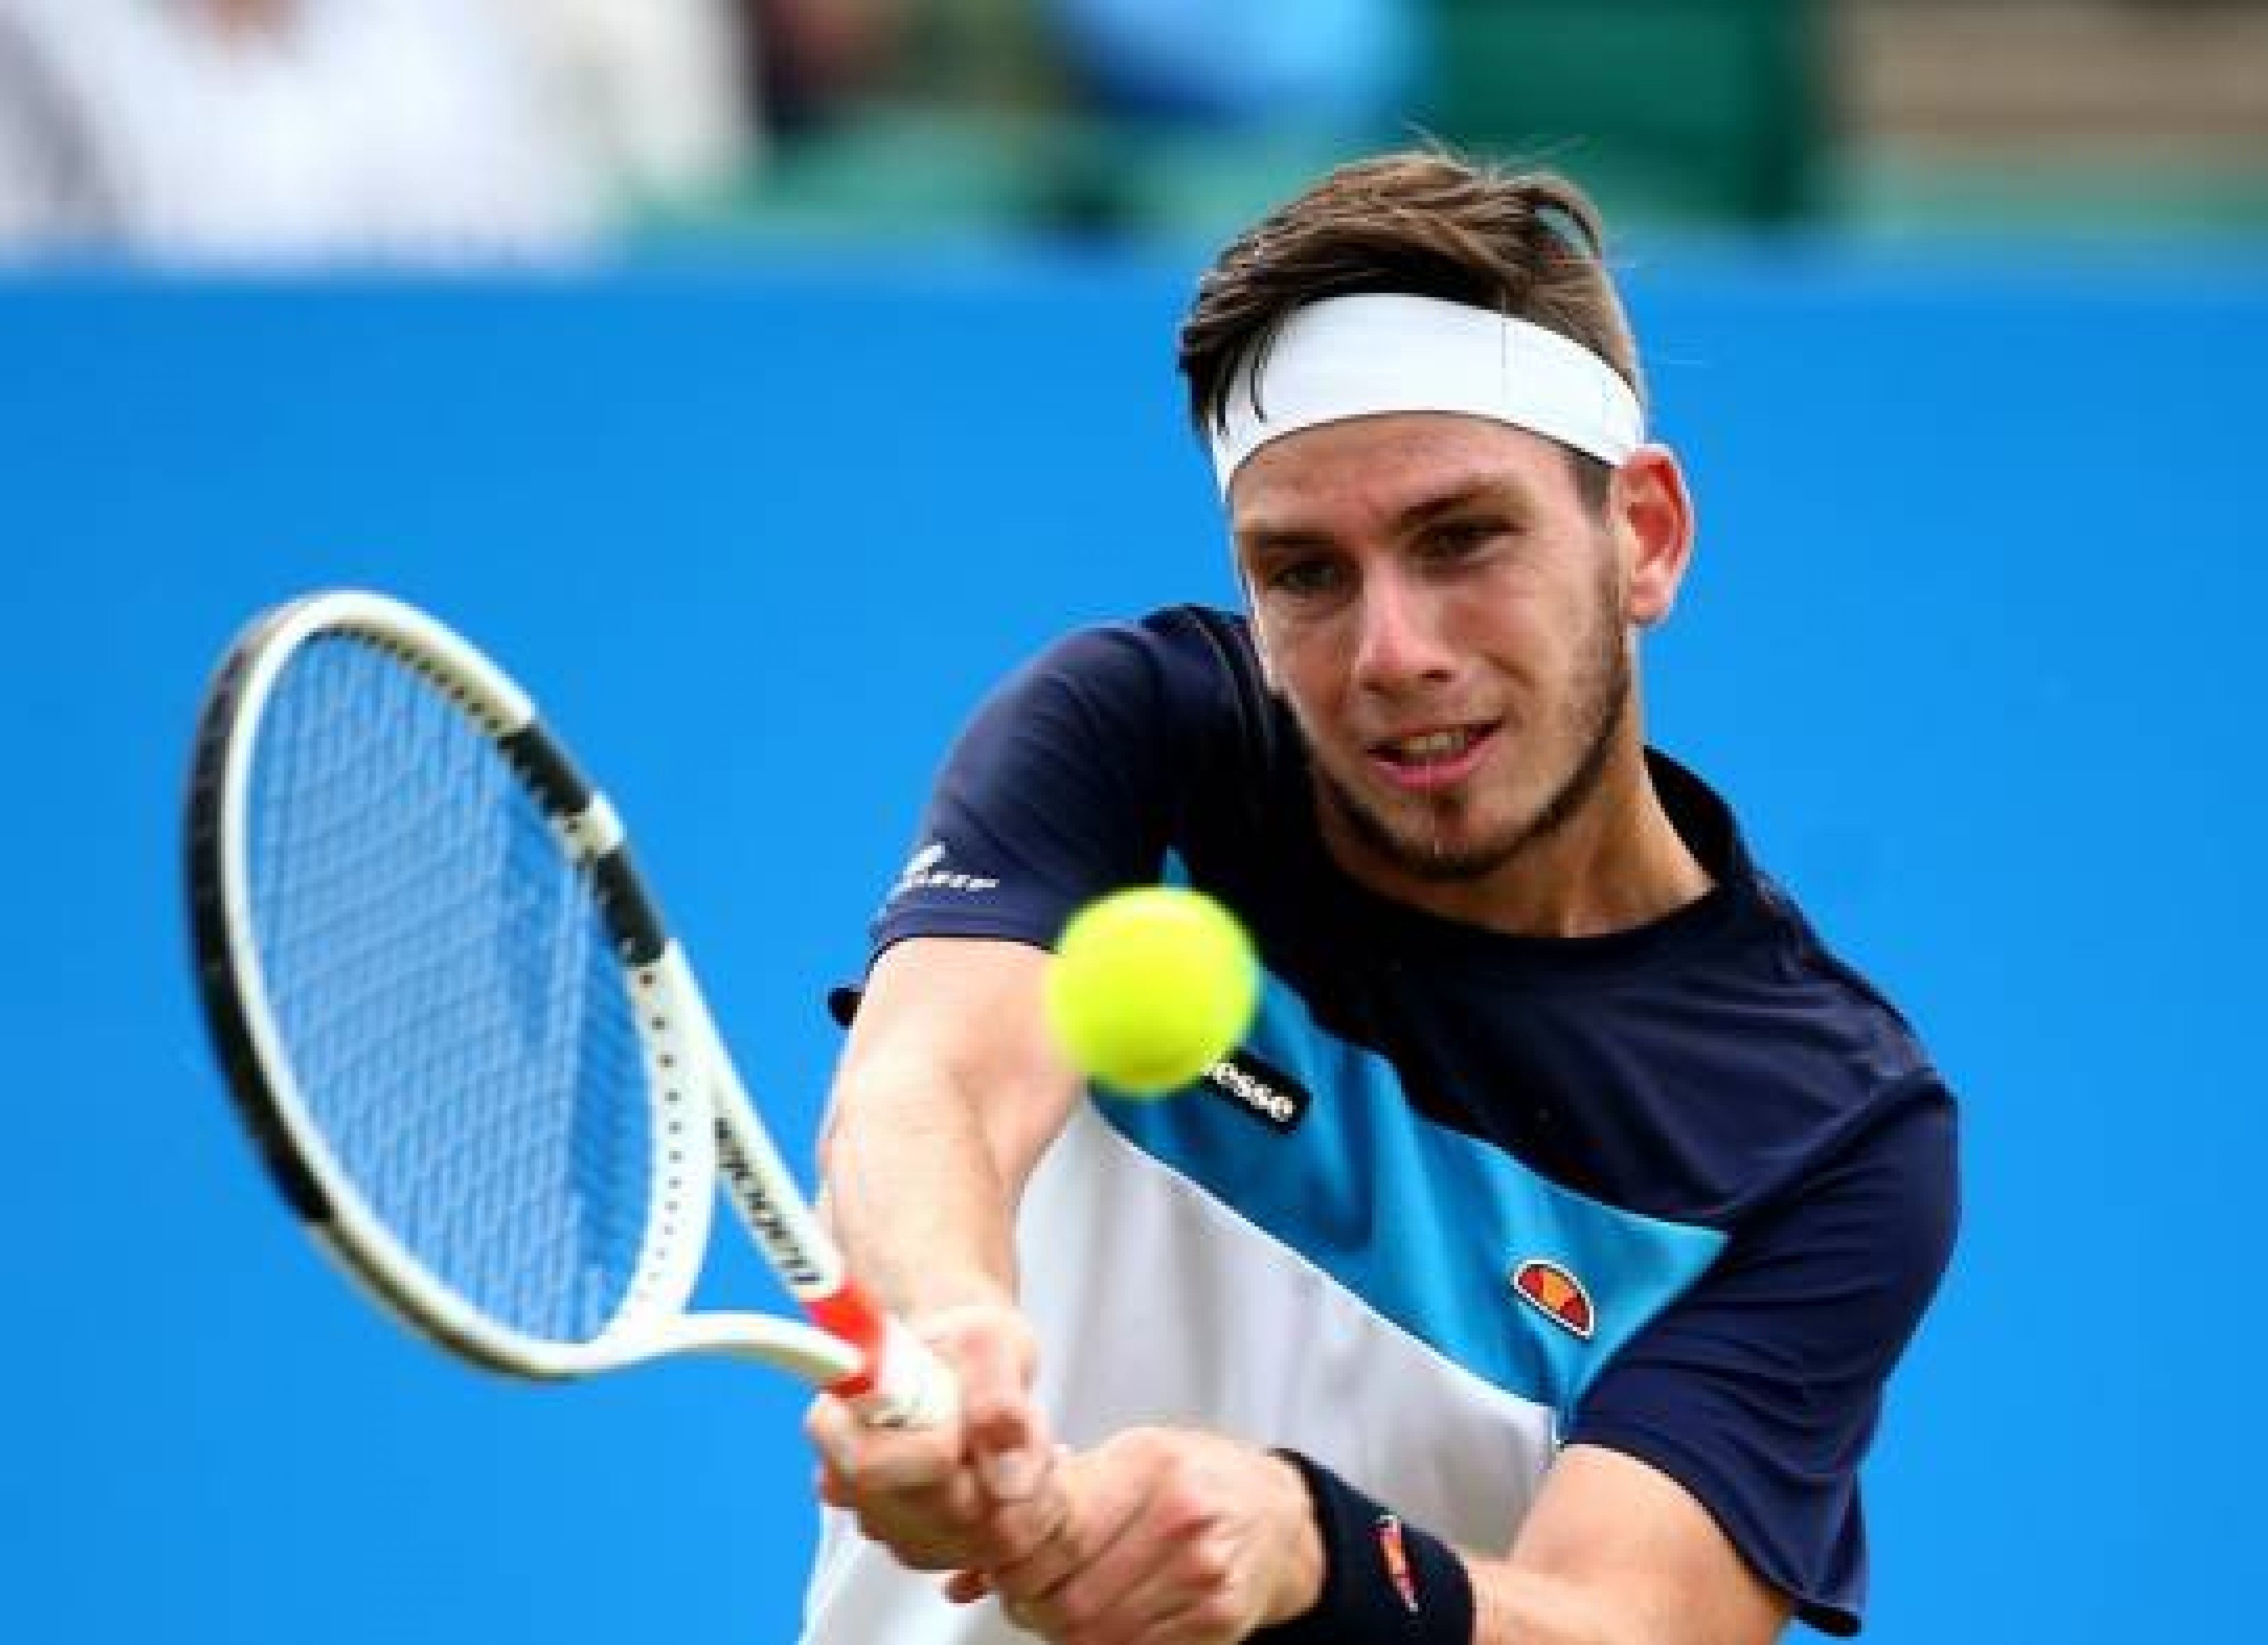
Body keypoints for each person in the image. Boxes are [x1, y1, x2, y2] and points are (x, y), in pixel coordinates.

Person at [801, 149, 1960, 1645]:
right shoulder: (1140, 736)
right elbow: (924, 1088)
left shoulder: (1824, 1125)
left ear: (1645, 538)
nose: (1389, 651)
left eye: (1460, 538)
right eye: (1305, 574)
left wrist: (1314, 1552)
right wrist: (948, 1324)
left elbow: (1636, 1623)